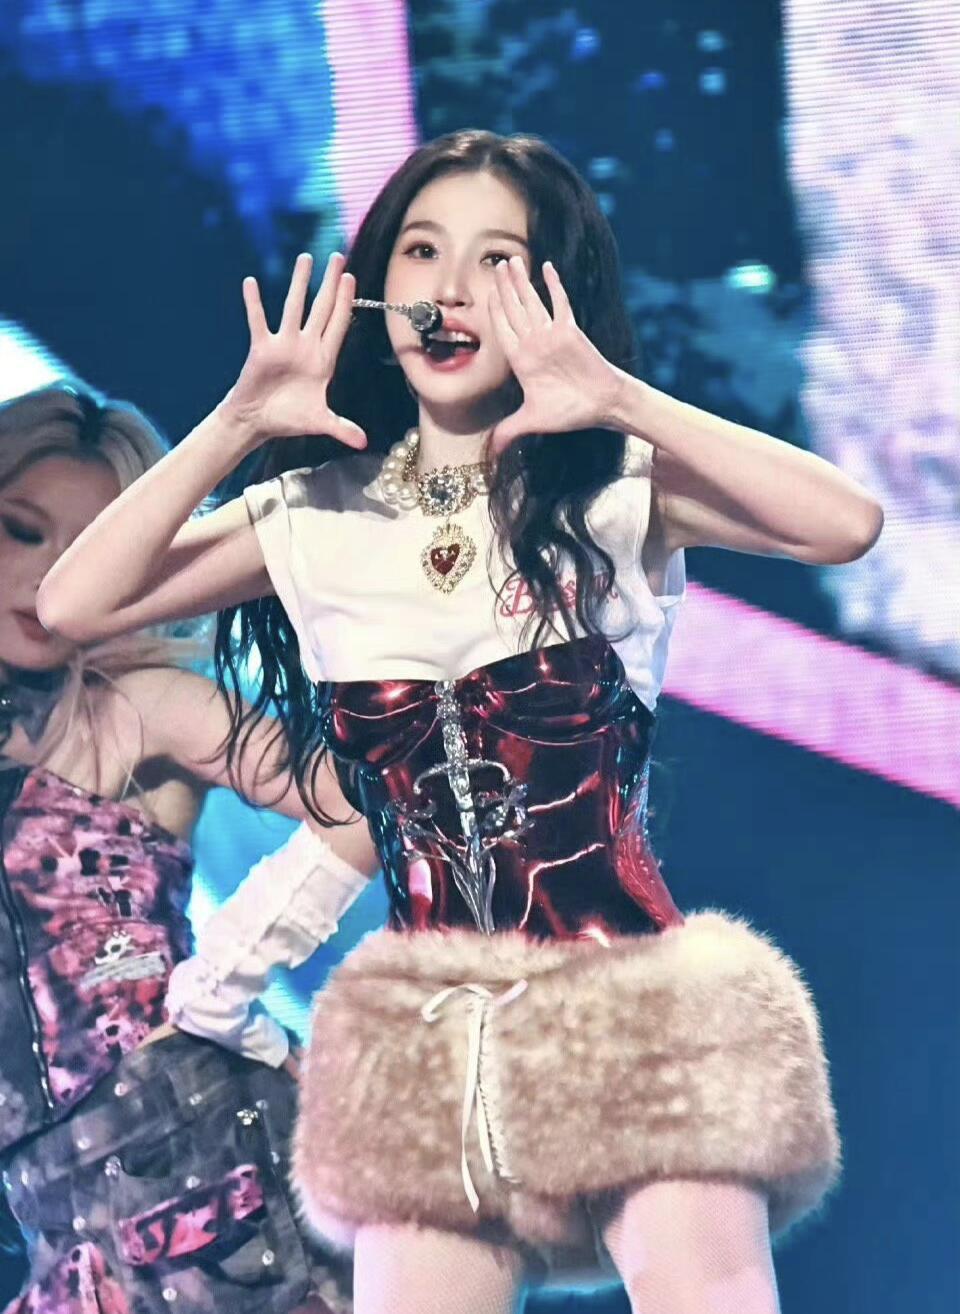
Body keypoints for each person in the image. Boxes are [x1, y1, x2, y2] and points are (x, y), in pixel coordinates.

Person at [41, 131, 884, 1314]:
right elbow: (73, 604)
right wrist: (237, 421)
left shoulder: (613, 491)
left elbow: (845, 524)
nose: (447, 292)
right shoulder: (312, 518)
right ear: (377, 281)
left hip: (636, 1010)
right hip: (429, 1051)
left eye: (497, 261)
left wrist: (616, 396)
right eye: (422, 251)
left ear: (552, 293)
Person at [0, 383, 370, 1314]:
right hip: (63, 1234)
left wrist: (224, 983)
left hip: (219, 1178)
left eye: (89, 549)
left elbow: (371, 810)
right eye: (21, 531)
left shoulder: (141, 708)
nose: (44, 581)